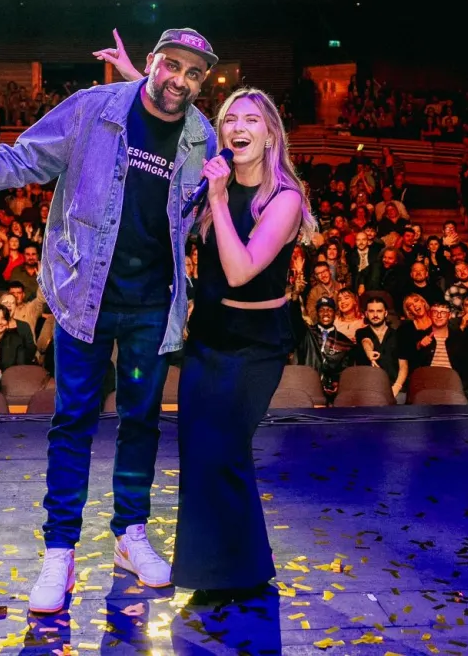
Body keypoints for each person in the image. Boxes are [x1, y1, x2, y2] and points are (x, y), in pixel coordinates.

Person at [0, 27, 217, 614]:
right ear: (152, 63)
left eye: (195, 75)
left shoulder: (200, 136)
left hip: (151, 307)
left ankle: (129, 535)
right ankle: (59, 551)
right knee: (73, 422)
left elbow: (198, 218)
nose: (181, 81)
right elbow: (26, 157)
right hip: (82, 296)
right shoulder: (94, 109)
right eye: (174, 66)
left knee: (141, 421)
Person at [171, 88, 315, 599]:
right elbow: (177, 120)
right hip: (208, 336)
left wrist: (216, 200)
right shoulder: (217, 180)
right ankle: (214, 571)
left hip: (256, 343)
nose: (239, 126)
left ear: (271, 133)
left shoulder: (285, 199)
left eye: (252, 118)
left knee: (226, 451)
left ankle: (243, 571)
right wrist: (134, 79)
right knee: (199, 451)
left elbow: (240, 269)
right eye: (230, 118)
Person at [299, 295, 355, 400]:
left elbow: (345, 369)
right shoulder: (307, 333)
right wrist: (296, 296)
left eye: (329, 310)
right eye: (321, 310)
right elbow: (295, 319)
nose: (325, 313)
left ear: (335, 313)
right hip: (306, 387)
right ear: (317, 313)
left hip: (332, 394)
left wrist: (337, 383)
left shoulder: (344, 342)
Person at [356, 296, 408, 399]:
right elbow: (366, 341)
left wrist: (396, 388)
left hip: (396, 388)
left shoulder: (399, 335)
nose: (375, 315)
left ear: (386, 313)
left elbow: (403, 366)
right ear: (366, 314)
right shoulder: (361, 333)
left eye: (379, 311)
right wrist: (369, 352)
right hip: (369, 390)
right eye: (371, 311)